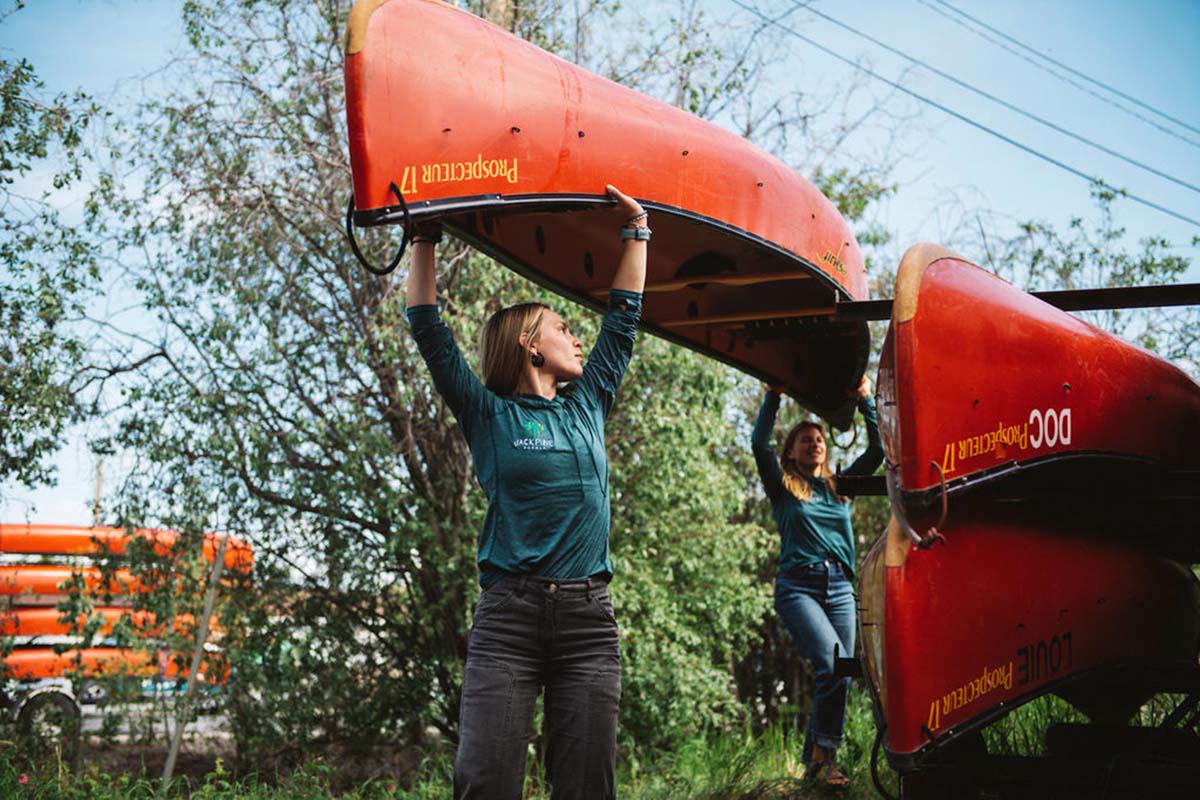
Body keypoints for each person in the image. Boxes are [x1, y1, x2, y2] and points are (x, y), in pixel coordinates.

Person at [405, 185, 647, 800]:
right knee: (485, 782)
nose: (577, 338)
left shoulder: (588, 404)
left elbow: (622, 322)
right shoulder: (489, 415)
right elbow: (428, 328)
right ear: (529, 344)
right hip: (509, 620)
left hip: (589, 622)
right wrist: (426, 236)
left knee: (587, 787)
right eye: (563, 328)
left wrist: (637, 229)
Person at [751, 377, 882, 789]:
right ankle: (825, 761)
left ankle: (815, 765)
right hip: (799, 587)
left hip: (841, 588)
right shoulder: (785, 488)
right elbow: (759, 445)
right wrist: (772, 396)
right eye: (804, 440)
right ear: (791, 451)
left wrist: (865, 399)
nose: (815, 444)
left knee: (839, 670)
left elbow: (878, 450)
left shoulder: (839, 487)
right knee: (832, 666)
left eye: (819, 439)